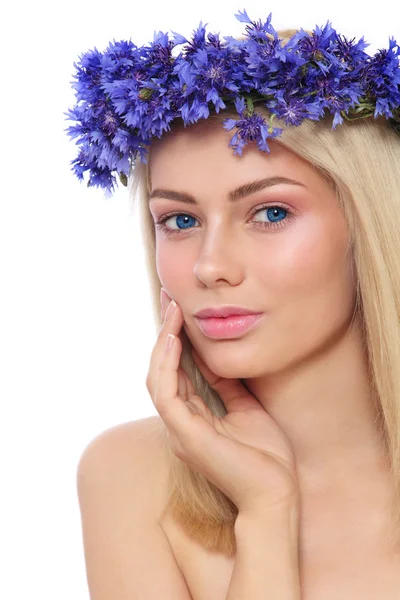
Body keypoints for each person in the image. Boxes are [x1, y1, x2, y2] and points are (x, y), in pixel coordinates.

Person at [70, 12, 400, 599]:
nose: (208, 265)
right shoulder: (129, 478)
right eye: (180, 219)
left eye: (271, 213)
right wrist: (267, 514)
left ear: (367, 226)